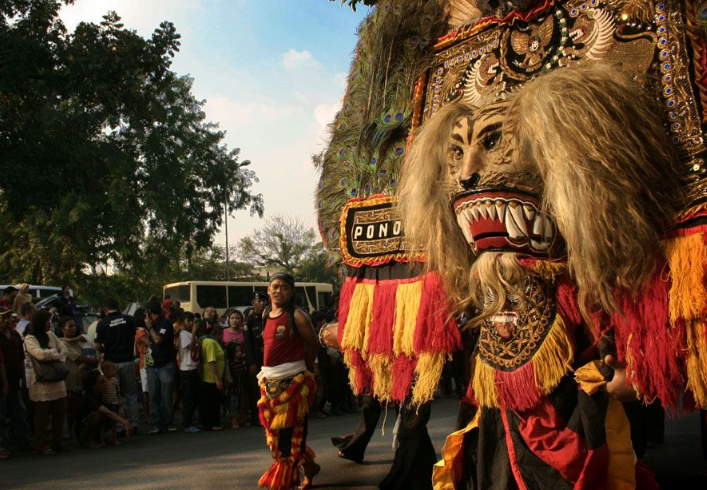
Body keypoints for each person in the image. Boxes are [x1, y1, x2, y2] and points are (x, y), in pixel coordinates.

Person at [257, 272, 320, 490]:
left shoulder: (298, 316)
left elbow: (313, 344)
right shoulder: (266, 313)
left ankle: (285, 482)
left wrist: (307, 372)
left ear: (292, 291)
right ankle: (309, 468)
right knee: (276, 435)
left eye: (284, 287)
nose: (278, 291)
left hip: (294, 385)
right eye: (274, 286)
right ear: (268, 290)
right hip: (269, 385)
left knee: (291, 436)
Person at [24, 310, 68, 455]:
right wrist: (54, 353)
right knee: (41, 416)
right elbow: (39, 354)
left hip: (56, 379)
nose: (50, 323)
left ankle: (57, 443)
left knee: (59, 412)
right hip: (41, 381)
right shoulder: (30, 338)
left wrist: (53, 354)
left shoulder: (50, 335)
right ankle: (42, 444)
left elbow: (64, 350)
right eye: (47, 321)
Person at [94, 298, 139, 431]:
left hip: (111, 363)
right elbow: (133, 335)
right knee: (131, 392)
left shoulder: (102, 324)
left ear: (106, 310)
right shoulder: (129, 319)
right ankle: (134, 422)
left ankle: (119, 425)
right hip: (128, 361)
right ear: (119, 307)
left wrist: (105, 350)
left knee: (114, 394)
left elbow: (97, 345)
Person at [0, 307, 32, 458]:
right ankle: (2, 446)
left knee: (20, 412)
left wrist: (24, 380)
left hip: (15, 381)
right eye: (3, 318)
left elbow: (20, 358)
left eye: (8, 317)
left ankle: (25, 441)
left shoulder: (14, 335)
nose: (6, 321)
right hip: (1, 383)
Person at [60, 316, 99, 440]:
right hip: (71, 380)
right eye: (69, 326)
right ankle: (69, 431)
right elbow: (78, 358)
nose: (73, 328)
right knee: (71, 408)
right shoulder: (64, 343)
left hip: (84, 377)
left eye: (73, 325)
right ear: (62, 329)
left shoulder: (78, 340)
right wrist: (92, 361)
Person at [74, 369, 133, 448]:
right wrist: (125, 422)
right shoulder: (88, 397)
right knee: (100, 413)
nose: (105, 383)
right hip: (82, 429)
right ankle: (89, 440)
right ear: (93, 386)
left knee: (115, 410)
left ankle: (99, 437)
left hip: (91, 424)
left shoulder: (103, 393)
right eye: (101, 382)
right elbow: (107, 412)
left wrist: (121, 408)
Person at [145, 299, 177, 435]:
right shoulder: (150, 324)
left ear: (149, 312)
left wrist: (150, 327)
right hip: (152, 364)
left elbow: (158, 339)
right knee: (153, 396)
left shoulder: (165, 323)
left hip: (165, 364)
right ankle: (156, 424)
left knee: (166, 395)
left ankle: (168, 422)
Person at [245, 291, 267, 425]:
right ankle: (255, 416)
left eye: (264, 301)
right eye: (259, 301)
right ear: (253, 302)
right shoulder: (249, 321)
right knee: (255, 389)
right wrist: (251, 362)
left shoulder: (269, 318)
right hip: (256, 359)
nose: (262, 303)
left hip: (268, 359)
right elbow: (248, 344)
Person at [176, 311, 200, 432]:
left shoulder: (190, 334)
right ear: (182, 322)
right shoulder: (183, 333)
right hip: (186, 368)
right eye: (188, 321)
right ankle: (187, 424)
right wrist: (195, 331)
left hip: (194, 367)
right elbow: (190, 348)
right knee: (188, 397)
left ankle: (191, 420)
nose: (191, 323)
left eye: (192, 321)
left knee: (194, 397)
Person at [199, 321, 225, 431]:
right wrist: (217, 379)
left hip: (209, 376)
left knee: (210, 401)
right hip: (211, 377)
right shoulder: (209, 342)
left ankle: (210, 423)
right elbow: (211, 361)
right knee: (213, 401)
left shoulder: (204, 341)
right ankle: (212, 423)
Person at [133, 308, 151, 424]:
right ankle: (146, 414)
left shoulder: (142, 330)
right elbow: (151, 342)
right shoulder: (140, 332)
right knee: (146, 389)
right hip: (144, 361)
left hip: (147, 360)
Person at [226, 340, 249, 428]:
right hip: (234, 387)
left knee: (242, 404)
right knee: (234, 404)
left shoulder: (242, 362)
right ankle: (234, 420)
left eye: (240, 351)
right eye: (237, 351)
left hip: (242, 386)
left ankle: (242, 418)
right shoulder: (230, 363)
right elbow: (228, 376)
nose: (239, 353)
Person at [100, 360, 122, 444]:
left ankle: (114, 439)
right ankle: (102, 440)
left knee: (113, 423)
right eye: (113, 370)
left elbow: (117, 392)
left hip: (114, 403)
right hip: (105, 404)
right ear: (105, 371)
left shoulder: (114, 380)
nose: (115, 371)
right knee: (103, 423)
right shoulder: (103, 380)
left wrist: (119, 402)